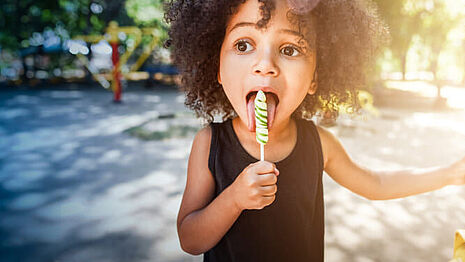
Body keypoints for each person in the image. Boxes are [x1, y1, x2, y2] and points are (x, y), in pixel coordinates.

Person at [162, 0, 465, 261]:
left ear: (315, 78)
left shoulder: (319, 144)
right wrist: (235, 199)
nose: (264, 65)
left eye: (289, 49)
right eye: (244, 45)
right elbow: (190, 239)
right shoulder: (209, 143)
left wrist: (450, 174)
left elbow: (377, 184)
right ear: (217, 66)